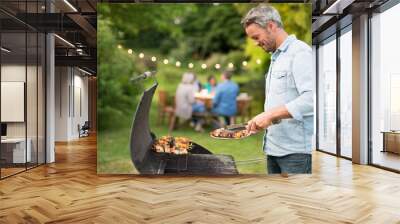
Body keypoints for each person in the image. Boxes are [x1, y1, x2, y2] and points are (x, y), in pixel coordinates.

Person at [241, 5, 314, 175]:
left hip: (296, 154)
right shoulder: (277, 58)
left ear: (271, 26)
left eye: (256, 37)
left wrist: (270, 115)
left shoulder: (300, 53)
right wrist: (265, 119)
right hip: (274, 149)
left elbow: (312, 99)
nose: (255, 43)